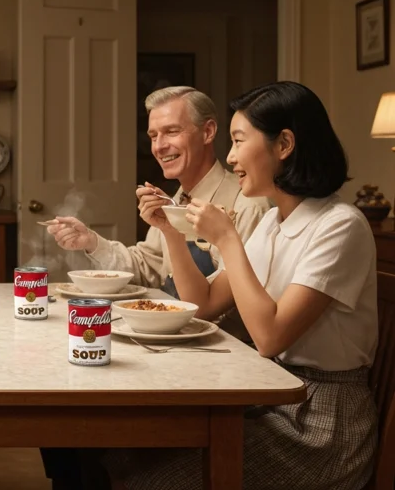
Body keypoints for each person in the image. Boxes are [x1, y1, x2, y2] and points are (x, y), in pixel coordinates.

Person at [110, 81, 378, 489]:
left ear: (284, 144)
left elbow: (269, 338)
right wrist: (170, 233)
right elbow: (201, 305)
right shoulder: (273, 222)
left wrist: (228, 239)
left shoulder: (340, 226)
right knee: (121, 449)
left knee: (148, 480)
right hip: (271, 396)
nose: (231, 157)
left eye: (238, 141)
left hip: (321, 423)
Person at [41, 86, 271, 489]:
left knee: (81, 418)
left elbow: (223, 305)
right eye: (153, 136)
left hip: (212, 364)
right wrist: (90, 241)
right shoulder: (178, 197)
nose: (160, 145)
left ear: (207, 131)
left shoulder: (245, 201)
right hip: (167, 347)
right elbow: (148, 269)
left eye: (172, 132)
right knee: (60, 400)